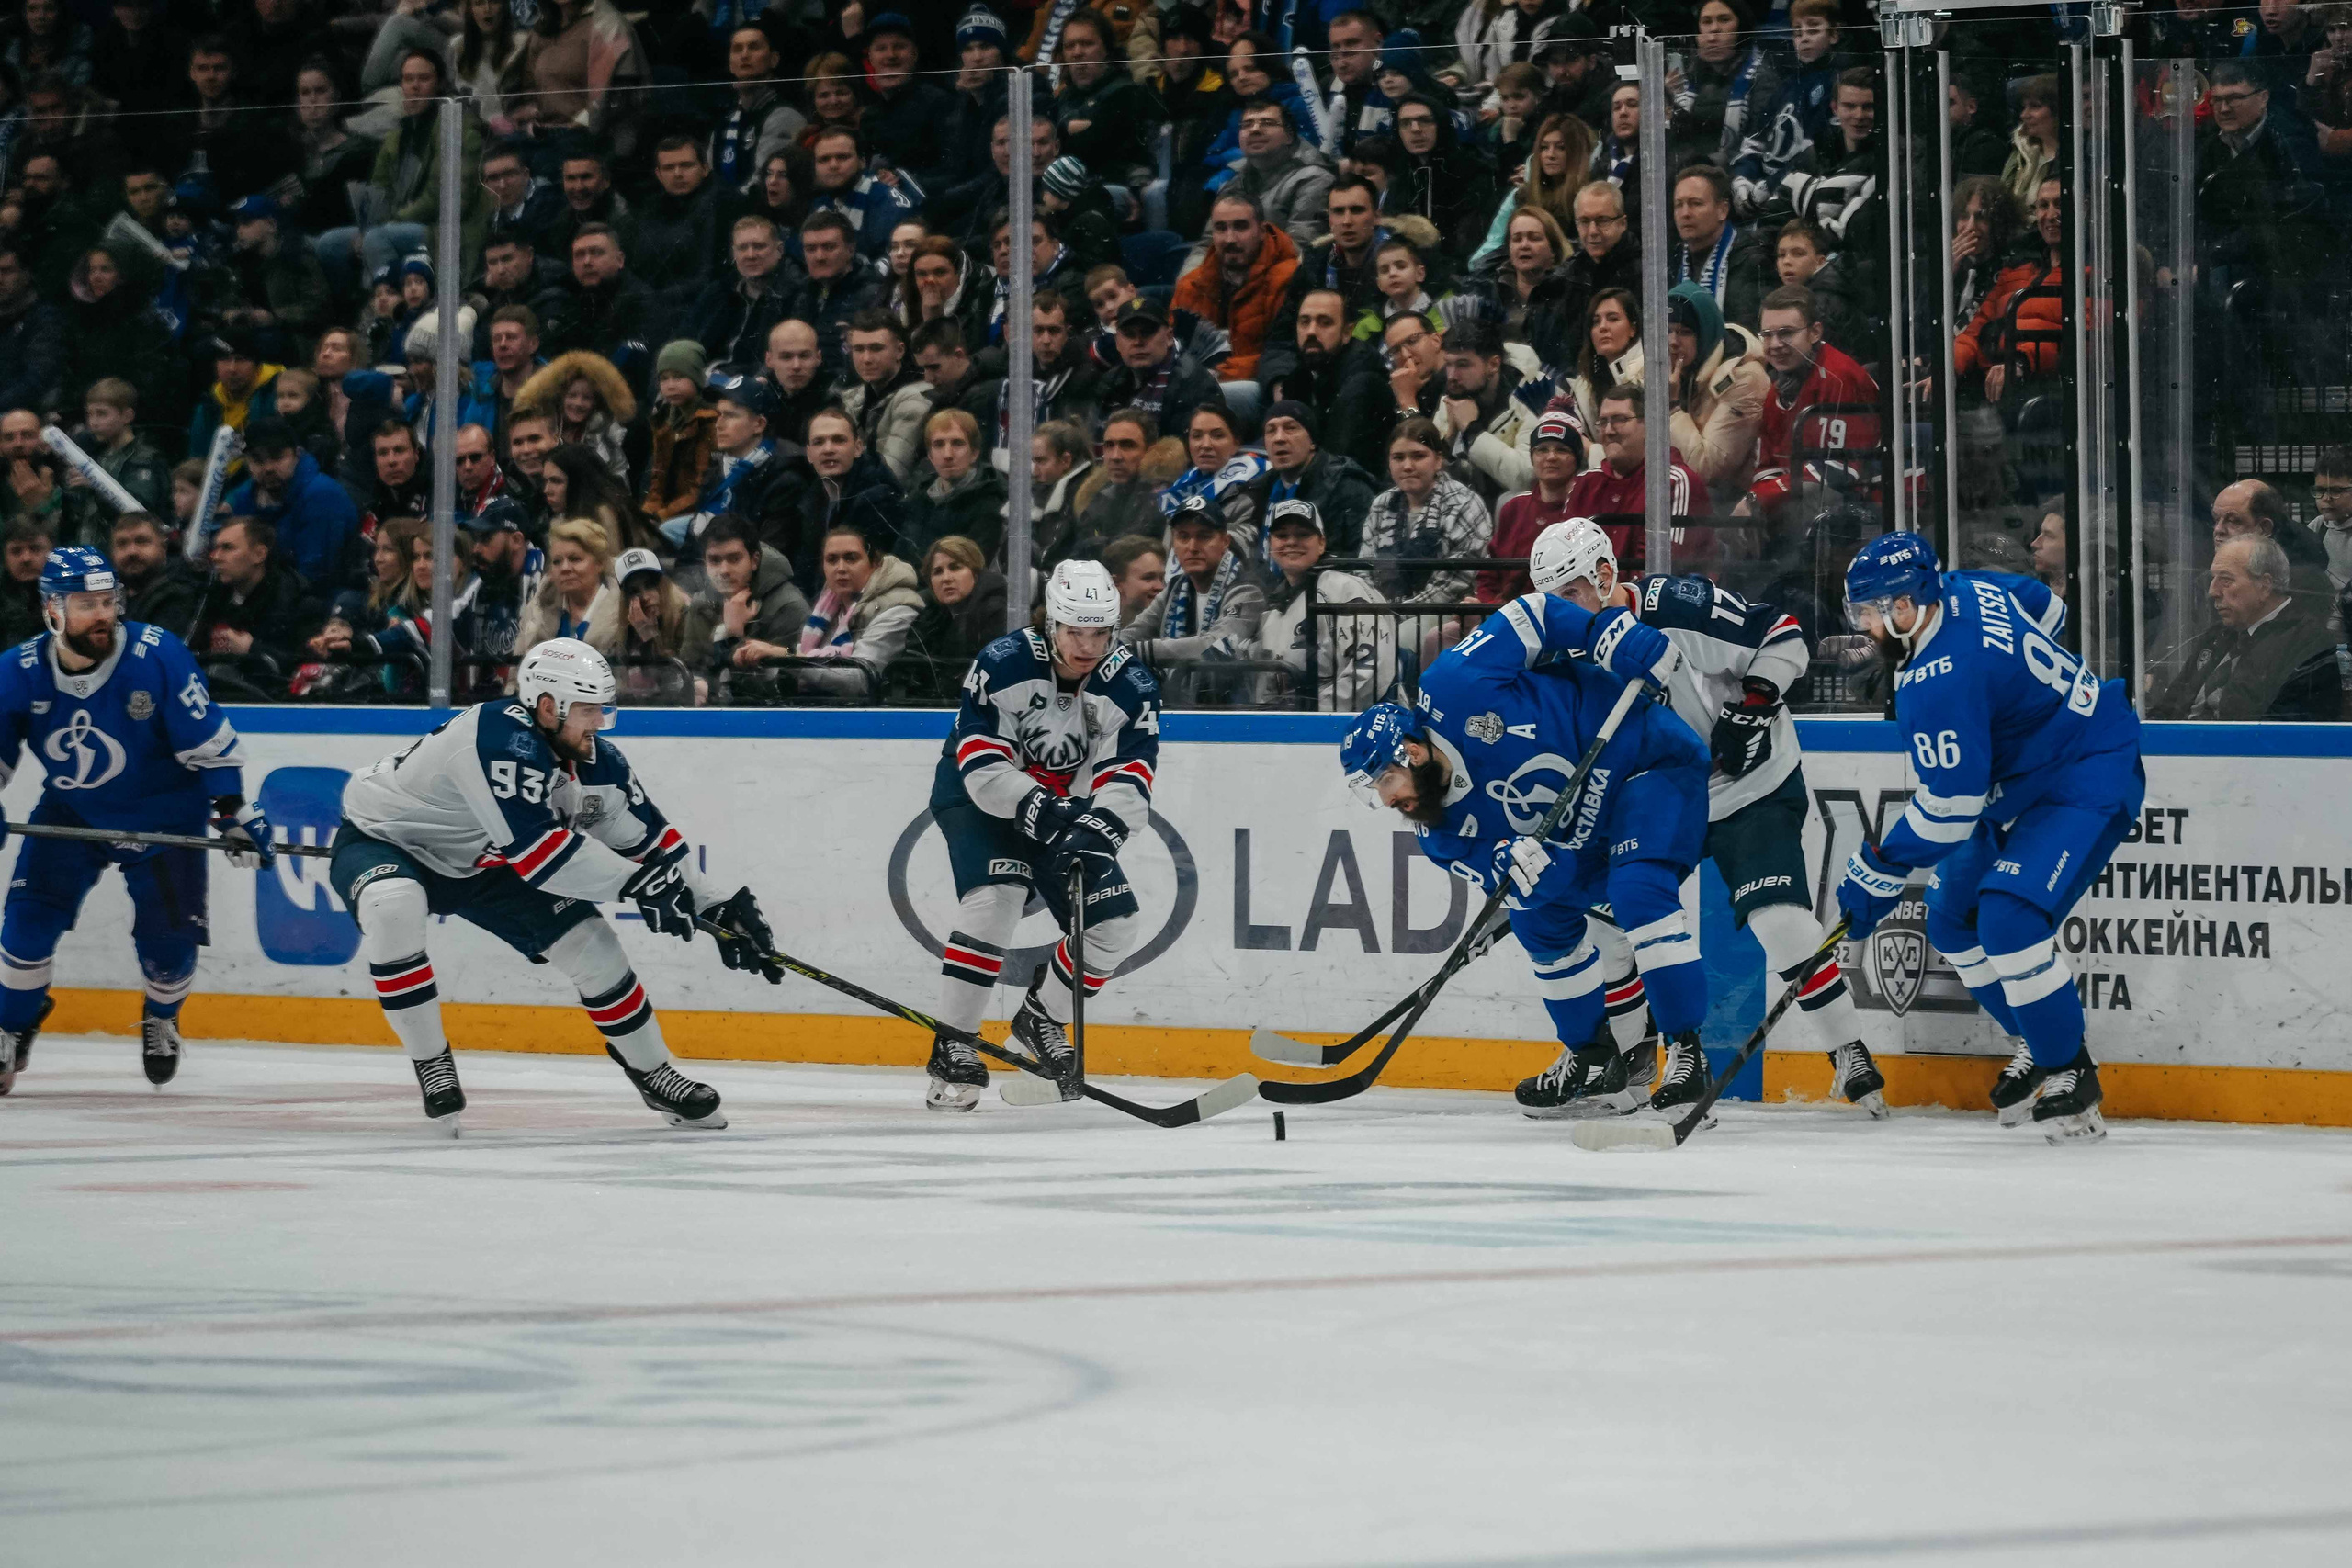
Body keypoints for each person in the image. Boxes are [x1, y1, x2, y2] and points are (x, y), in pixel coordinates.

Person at [331, 638, 773, 1132]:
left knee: (596, 948)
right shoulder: (497, 738)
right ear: (547, 707)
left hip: (488, 863)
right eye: (588, 711)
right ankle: (431, 1062)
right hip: (388, 842)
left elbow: (653, 844)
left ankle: (654, 1072)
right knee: (394, 908)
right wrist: (640, 887)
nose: (600, 723)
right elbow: (541, 858)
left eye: (605, 710)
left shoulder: (595, 762)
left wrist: (715, 905)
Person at [1523, 518, 1886, 1114]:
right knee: (1608, 921)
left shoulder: (1674, 605)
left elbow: (1784, 634)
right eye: (1549, 599)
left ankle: (1849, 1048)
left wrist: (1757, 703)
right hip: (1665, 796)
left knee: (1781, 922)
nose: (1560, 610)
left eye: (1570, 593)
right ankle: (1641, 1059)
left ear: (1606, 575)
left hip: (1752, 785)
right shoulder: (1566, 652)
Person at [1337, 587, 1718, 1115]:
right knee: (1533, 913)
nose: (1388, 799)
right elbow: (1523, 880)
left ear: (1414, 750)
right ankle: (1592, 1056)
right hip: (1583, 843)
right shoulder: (1440, 833)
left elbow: (1533, 613)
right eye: (1375, 791)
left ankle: (1687, 1053)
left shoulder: (1454, 686)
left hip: (1644, 762)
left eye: (1386, 779)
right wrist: (1521, 872)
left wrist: (1602, 634)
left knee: (1638, 892)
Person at [1836, 532, 2146, 1143]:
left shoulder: (1936, 680)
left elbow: (1951, 808)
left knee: (2009, 922)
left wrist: (1880, 865)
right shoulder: (1966, 586)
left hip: (2085, 767)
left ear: (1904, 607)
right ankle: (2039, 1040)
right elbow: (2046, 608)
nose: (1863, 627)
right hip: (2021, 779)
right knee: (1954, 921)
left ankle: (2069, 1070)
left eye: (1868, 612)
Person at [0, 546, 265, 1094]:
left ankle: (161, 1017)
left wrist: (232, 811)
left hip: (165, 816)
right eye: (85, 604)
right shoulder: (16, 671)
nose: (102, 615)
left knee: (167, 953)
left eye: (107, 601)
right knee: (25, 930)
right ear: (53, 609)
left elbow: (209, 746)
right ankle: (9, 1027)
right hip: (72, 812)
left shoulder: (156, 655)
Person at [922, 559, 1159, 1110]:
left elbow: (1130, 774)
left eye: (1100, 631)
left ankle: (1040, 1018)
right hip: (979, 795)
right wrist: (1037, 806)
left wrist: (1102, 826)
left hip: (1063, 804)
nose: (1088, 645)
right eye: (1076, 630)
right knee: (997, 897)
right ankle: (953, 1042)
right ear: (1051, 624)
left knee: (1115, 926)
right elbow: (981, 766)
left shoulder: (1130, 684)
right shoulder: (1003, 664)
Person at [2149, 536, 2340, 722]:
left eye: (2225, 580)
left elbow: (2283, 735)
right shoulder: (2218, 635)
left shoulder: (2309, 643)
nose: (2212, 591)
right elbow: (2168, 707)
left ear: (2265, 586)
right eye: (2213, 579)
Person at [1236, 498, 1390, 711]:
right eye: (1282, 535)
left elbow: (1373, 668)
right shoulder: (1272, 613)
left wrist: (1316, 714)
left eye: (1303, 534)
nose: (1291, 542)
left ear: (1321, 543)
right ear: (1270, 544)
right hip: (1292, 729)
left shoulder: (1345, 588)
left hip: (1352, 725)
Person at [1745, 284, 1879, 518]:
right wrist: (1757, 500)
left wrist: (1762, 498)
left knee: (1806, 497)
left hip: (1863, 502)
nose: (1775, 344)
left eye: (1786, 333)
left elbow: (1839, 471)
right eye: (1767, 335)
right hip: (1802, 496)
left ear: (1815, 333)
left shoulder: (1840, 377)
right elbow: (1769, 465)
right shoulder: (1776, 389)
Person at [1120, 492, 1267, 702]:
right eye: (1183, 537)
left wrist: (1140, 651)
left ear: (1225, 541)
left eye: (1204, 536)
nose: (1193, 547)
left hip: (1235, 713)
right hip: (1183, 706)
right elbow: (1134, 633)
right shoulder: (1176, 588)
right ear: (1173, 544)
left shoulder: (1247, 590)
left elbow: (1214, 645)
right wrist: (1110, 647)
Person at [1566, 385, 1706, 574]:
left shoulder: (1674, 482)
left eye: (1619, 420)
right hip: (1589, 599)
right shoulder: (1584, 484)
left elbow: (1661, 573)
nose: (1608, 431)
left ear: (1650, 425)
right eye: (1603, 422)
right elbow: (1565, 559)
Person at [1363, 416, 1494, 605]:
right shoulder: (1381, 504)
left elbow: (1453, 583)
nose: (1407, 466)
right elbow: (1365, 568)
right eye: (1398, 458)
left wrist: (1397, 615)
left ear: (1438, 460)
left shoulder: (1464, 503)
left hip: (1448, 611)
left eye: (1418, 456)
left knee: (1406, 635)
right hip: (1383, 612)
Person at [786, 524, 924, 703]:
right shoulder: (826, 608)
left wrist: (787, 657)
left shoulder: (897, 609)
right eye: (832, 560)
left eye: (851, 558)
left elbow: (858, 679)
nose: (841, 568)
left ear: (874, 563)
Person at [228, 417, 360, 592]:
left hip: (324, 601)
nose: (268, 468)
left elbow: (316, 576)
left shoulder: (322, 495)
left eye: (277, 457)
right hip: (272, 595)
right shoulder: (246, 498)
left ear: (297, 454)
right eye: (258, 460)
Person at [694, 512, 811, 707]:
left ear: (754, 560)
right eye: (715, 560)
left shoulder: (789, 607)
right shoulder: (701, 604)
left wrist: (732, 636)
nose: (724, 570)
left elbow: (776, 693)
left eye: (734, 559)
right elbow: (689, 665)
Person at [1482, 412, 1583, 603]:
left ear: (1576, 458)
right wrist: (1485, 608)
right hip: (1501, 612)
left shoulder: (1586, 508)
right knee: (1437, 633)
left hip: (1557, 613)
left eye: (1562, 450)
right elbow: (1488, 574)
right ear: (1532, 457)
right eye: (1542, 449)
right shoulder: (1513, 508)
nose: (1551, 457)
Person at [898, 534, 1009, 699]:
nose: (946, 578)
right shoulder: (928, 618)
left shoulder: (997, 612)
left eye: (955, 567)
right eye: (937, 572)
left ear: (976, 573)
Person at [899, 409, 1008, 567]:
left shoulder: (990, 501)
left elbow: (972, 567)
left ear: (974, 453)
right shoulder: (917, 499)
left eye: (957, 443)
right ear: (930, 456)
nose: (948, 454)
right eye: (938, 445)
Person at [515, 516, 622, 661]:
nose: (564, 568)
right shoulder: (537, 609)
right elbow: (516, 675)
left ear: (600, 563)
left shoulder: (624, 612)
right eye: (557, 561)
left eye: (575, 559)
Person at [613, 547, 709, 706]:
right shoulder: (628, 634)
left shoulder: (691, 617)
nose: (644, 597)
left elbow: (681, 687)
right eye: (634, 591)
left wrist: (650, 637)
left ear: (664, 584)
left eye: (650, 586)